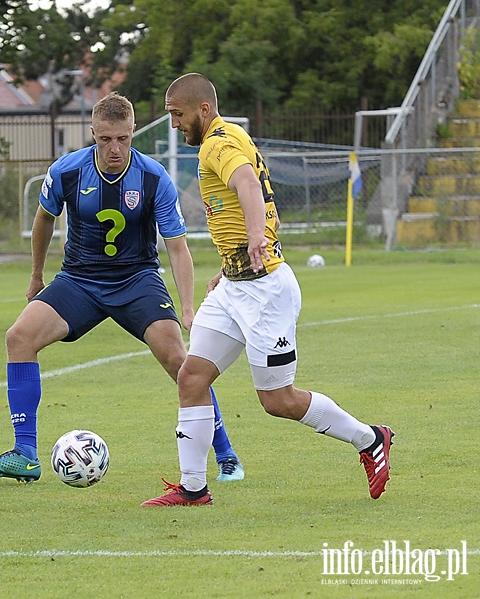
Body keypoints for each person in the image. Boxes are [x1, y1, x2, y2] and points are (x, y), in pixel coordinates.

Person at [143, 73, 394, 507]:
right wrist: (230, 266)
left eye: (178, 115)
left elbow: (247, 184)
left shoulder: (218, 144)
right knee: (192, 376)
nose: (174, 125)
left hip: (264, 292)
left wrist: (257, 236)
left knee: (277, 400)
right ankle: (193, 488)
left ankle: (371, 439)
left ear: (203, 109)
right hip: (234, 286)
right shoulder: (229, 134)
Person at [0, 92, 244, 483]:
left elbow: (178, 248)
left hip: (137, 280)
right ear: (92, 134)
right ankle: (24, 453)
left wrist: (186, 308)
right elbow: (43, 220)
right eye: (104, 140)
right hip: (79, 279)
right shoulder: (67, 171)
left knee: (182, 365)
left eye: (122, 139)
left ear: (133, 132)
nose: (114, 149)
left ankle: (227, 455)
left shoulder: (152, 178)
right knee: (19, 337)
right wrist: (36, 276)